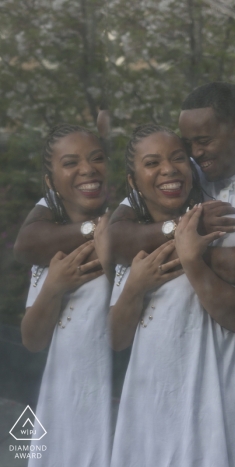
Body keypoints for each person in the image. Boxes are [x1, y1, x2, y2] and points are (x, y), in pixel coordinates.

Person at [108, 125, 233, 467]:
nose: (168, 169)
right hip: (152, 397)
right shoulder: (132, 243)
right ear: (133, 182)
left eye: (178, 158)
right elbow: (118, 339)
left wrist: (194, 261)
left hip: (212, 394)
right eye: (152, 162)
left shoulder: (218, 223)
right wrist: (136, 285)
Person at [20, 124, 112, 467]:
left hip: (124, 397)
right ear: (51, 181)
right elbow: (32, 339)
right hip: (67, 404)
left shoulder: (133, 230)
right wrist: (54, 287)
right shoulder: (50, 246)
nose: (87, 169)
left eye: (97, 158)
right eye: (71, 163)